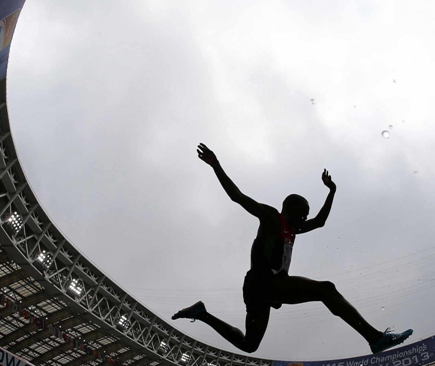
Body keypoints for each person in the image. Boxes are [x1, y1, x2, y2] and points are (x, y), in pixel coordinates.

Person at [172, 144, 413, 355]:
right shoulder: (271, 217)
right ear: (289, 209)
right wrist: (215, 164)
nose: (305, 218)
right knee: (326, 290)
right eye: (302, 213)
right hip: (262, 283)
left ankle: (202, 314)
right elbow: (237, 196)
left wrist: (332, 192)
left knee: (249, 345)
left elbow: (319, 222)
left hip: (267, 289)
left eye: (306, 214)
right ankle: (375, 338)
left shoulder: (293, 229)